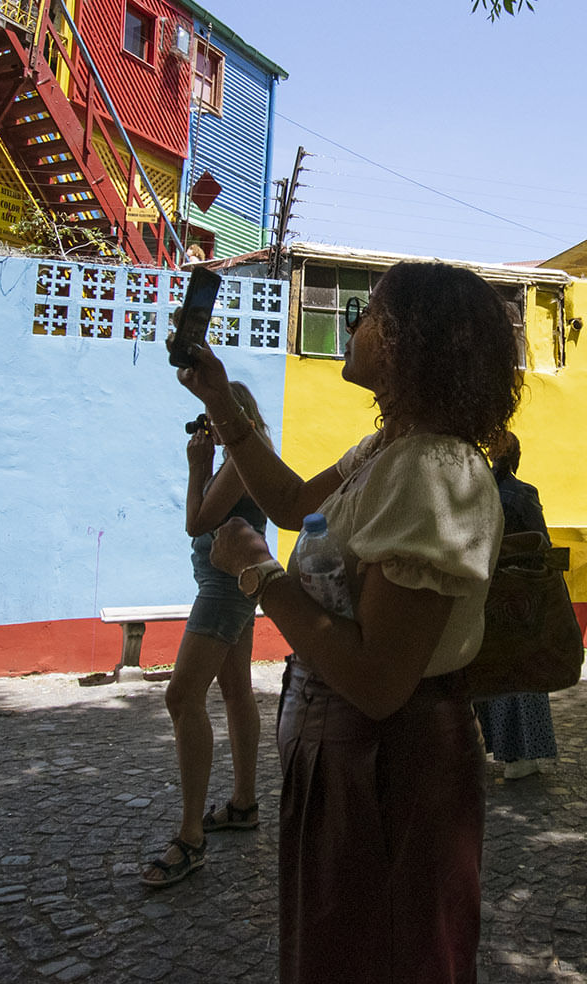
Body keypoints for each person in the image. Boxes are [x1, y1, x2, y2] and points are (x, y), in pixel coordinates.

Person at [175, 262, 517, 984]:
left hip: (388, 763)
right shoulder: (389, 449)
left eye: (368, 312)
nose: (354, 323)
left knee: (384, 950)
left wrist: (261, 576)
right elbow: (294, 502)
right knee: (347, 944)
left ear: (406, 340)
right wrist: (221, 402)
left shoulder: (431, 471)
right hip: (348, 752)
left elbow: (380, 680)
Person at [141, 383, 272, 889]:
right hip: (226, 584)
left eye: (213, 415)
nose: (208, 426)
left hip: (224, 589)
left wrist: (196, 466)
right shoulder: (244, 455)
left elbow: (196, 521)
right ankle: (243, 803)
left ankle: (191, 836)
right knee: (236, 688)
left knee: (181, 696)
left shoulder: (240, 458)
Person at [475, 430, 559, 780]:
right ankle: (521, 756)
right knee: (525, 675)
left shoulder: (477, 494)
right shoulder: (523, 493)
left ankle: (496, 749)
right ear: (517, 458)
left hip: (481, 593)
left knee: (490, 672)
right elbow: (541, 543)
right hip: (519, 595)